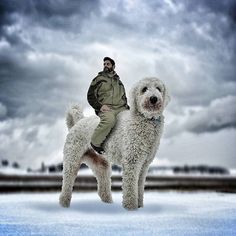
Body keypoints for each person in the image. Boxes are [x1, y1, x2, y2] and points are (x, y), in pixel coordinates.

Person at [87, 57, 129, 154]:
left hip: (121, 108)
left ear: (113, 66)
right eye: (104, 64)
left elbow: (124, 97)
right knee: (110, 121)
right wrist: (99, 106)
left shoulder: (119, 82)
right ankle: (95, 142)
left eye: (108, 64)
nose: (105, 65)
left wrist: (127, 109)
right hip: (106, 108)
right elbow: (90, 96)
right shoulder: (98, 79)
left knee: (131, 120)